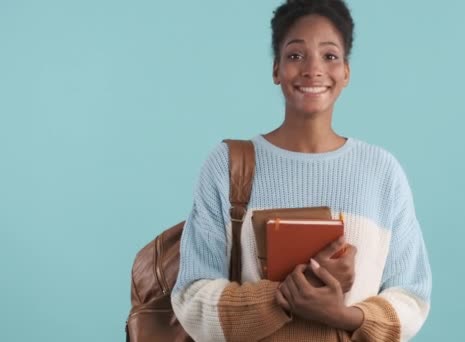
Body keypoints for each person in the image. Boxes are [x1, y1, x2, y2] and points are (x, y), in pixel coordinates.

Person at [171, 0, 432, 341]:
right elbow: (191, 297)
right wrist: (288, 297)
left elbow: (412, 297)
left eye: (330, 56)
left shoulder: (382, 172)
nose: (313, 69)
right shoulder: (227, 165)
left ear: (346, 72)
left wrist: (343, 315)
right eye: (295, 55)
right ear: (276, 69)